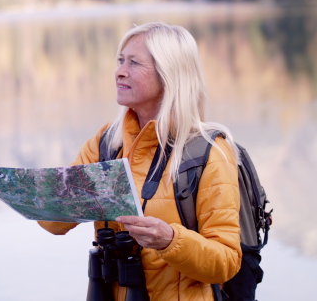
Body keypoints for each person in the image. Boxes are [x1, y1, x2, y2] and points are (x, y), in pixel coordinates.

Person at [38, 22, 242, 300]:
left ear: (169, 74)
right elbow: (54, 223)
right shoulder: (107, 142)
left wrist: (171, 240)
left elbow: (226, 263)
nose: (119, 71)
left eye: (134, 63)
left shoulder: (208, 153)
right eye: (120, 60)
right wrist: (34, 196)